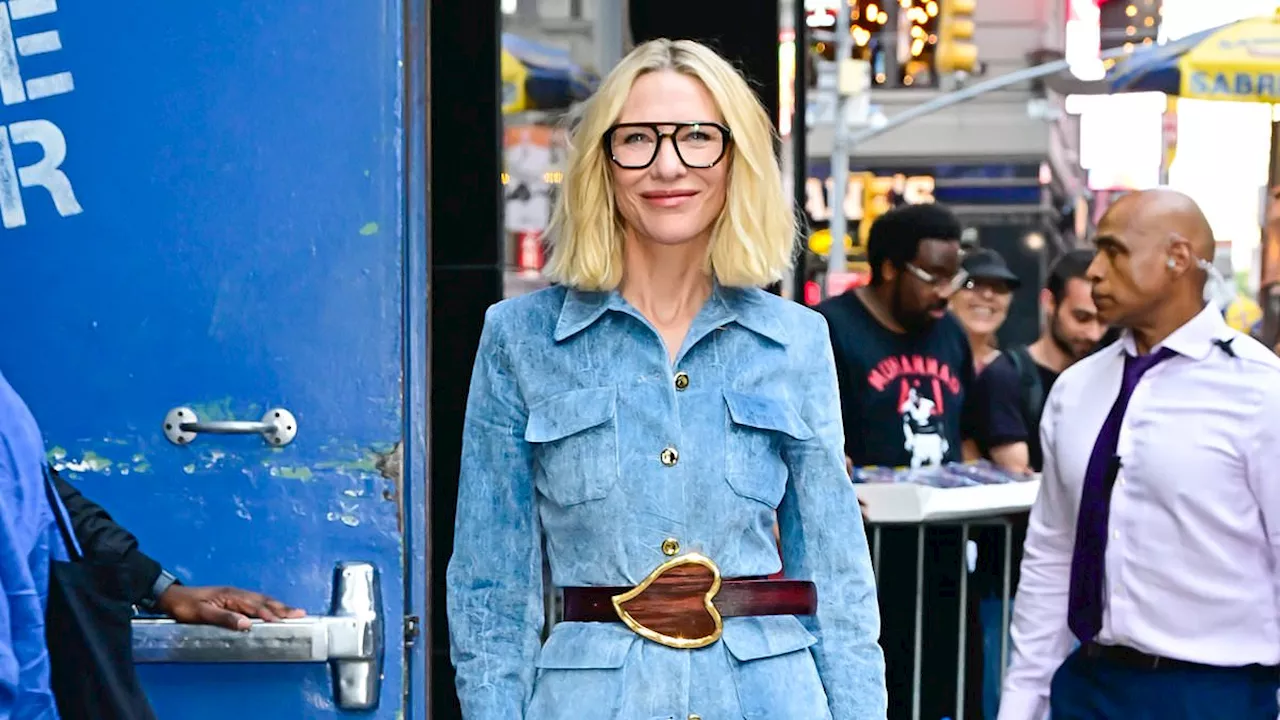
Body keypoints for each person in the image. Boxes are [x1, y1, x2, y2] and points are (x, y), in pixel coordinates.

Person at [446, 38, 885, 720]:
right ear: (602, 161)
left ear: (735, 158)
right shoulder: (519, 338)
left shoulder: (797, 341)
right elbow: (489, 587)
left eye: (697, 138)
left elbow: (838, 577)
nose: (668, 166)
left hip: (769, 699)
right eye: (639, 140)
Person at [999, 189, 1280, 719]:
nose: (1096, 271)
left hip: (1219, 694)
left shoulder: (1261, 391)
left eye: (1114, 251)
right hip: (1087, 685)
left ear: (1177, 258)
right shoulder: (1076, 389)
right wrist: (1023, 700)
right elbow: (1052, 554)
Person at [816, 202, 982, 720]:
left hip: (944, 558)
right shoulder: (830, 328)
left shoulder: (950, 334)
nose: (945, 293)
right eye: (933, 276)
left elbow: (968, 429)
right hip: (864, 561)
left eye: (954, 278)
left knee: (949, 688)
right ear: (889, 268)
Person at [966, 249, 1104, 474]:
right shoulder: (1007, 375)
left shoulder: (1107, 376)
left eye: (1103, 320)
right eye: (1081, 317)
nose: (1094, 333)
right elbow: (1019, 472)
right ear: (1049, 302)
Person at [951, 247, 1020, 374]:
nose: (987, 295)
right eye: (972, 284)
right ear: (949, 294)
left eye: (1000, 287)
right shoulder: (923, 361)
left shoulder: (1015, 372)